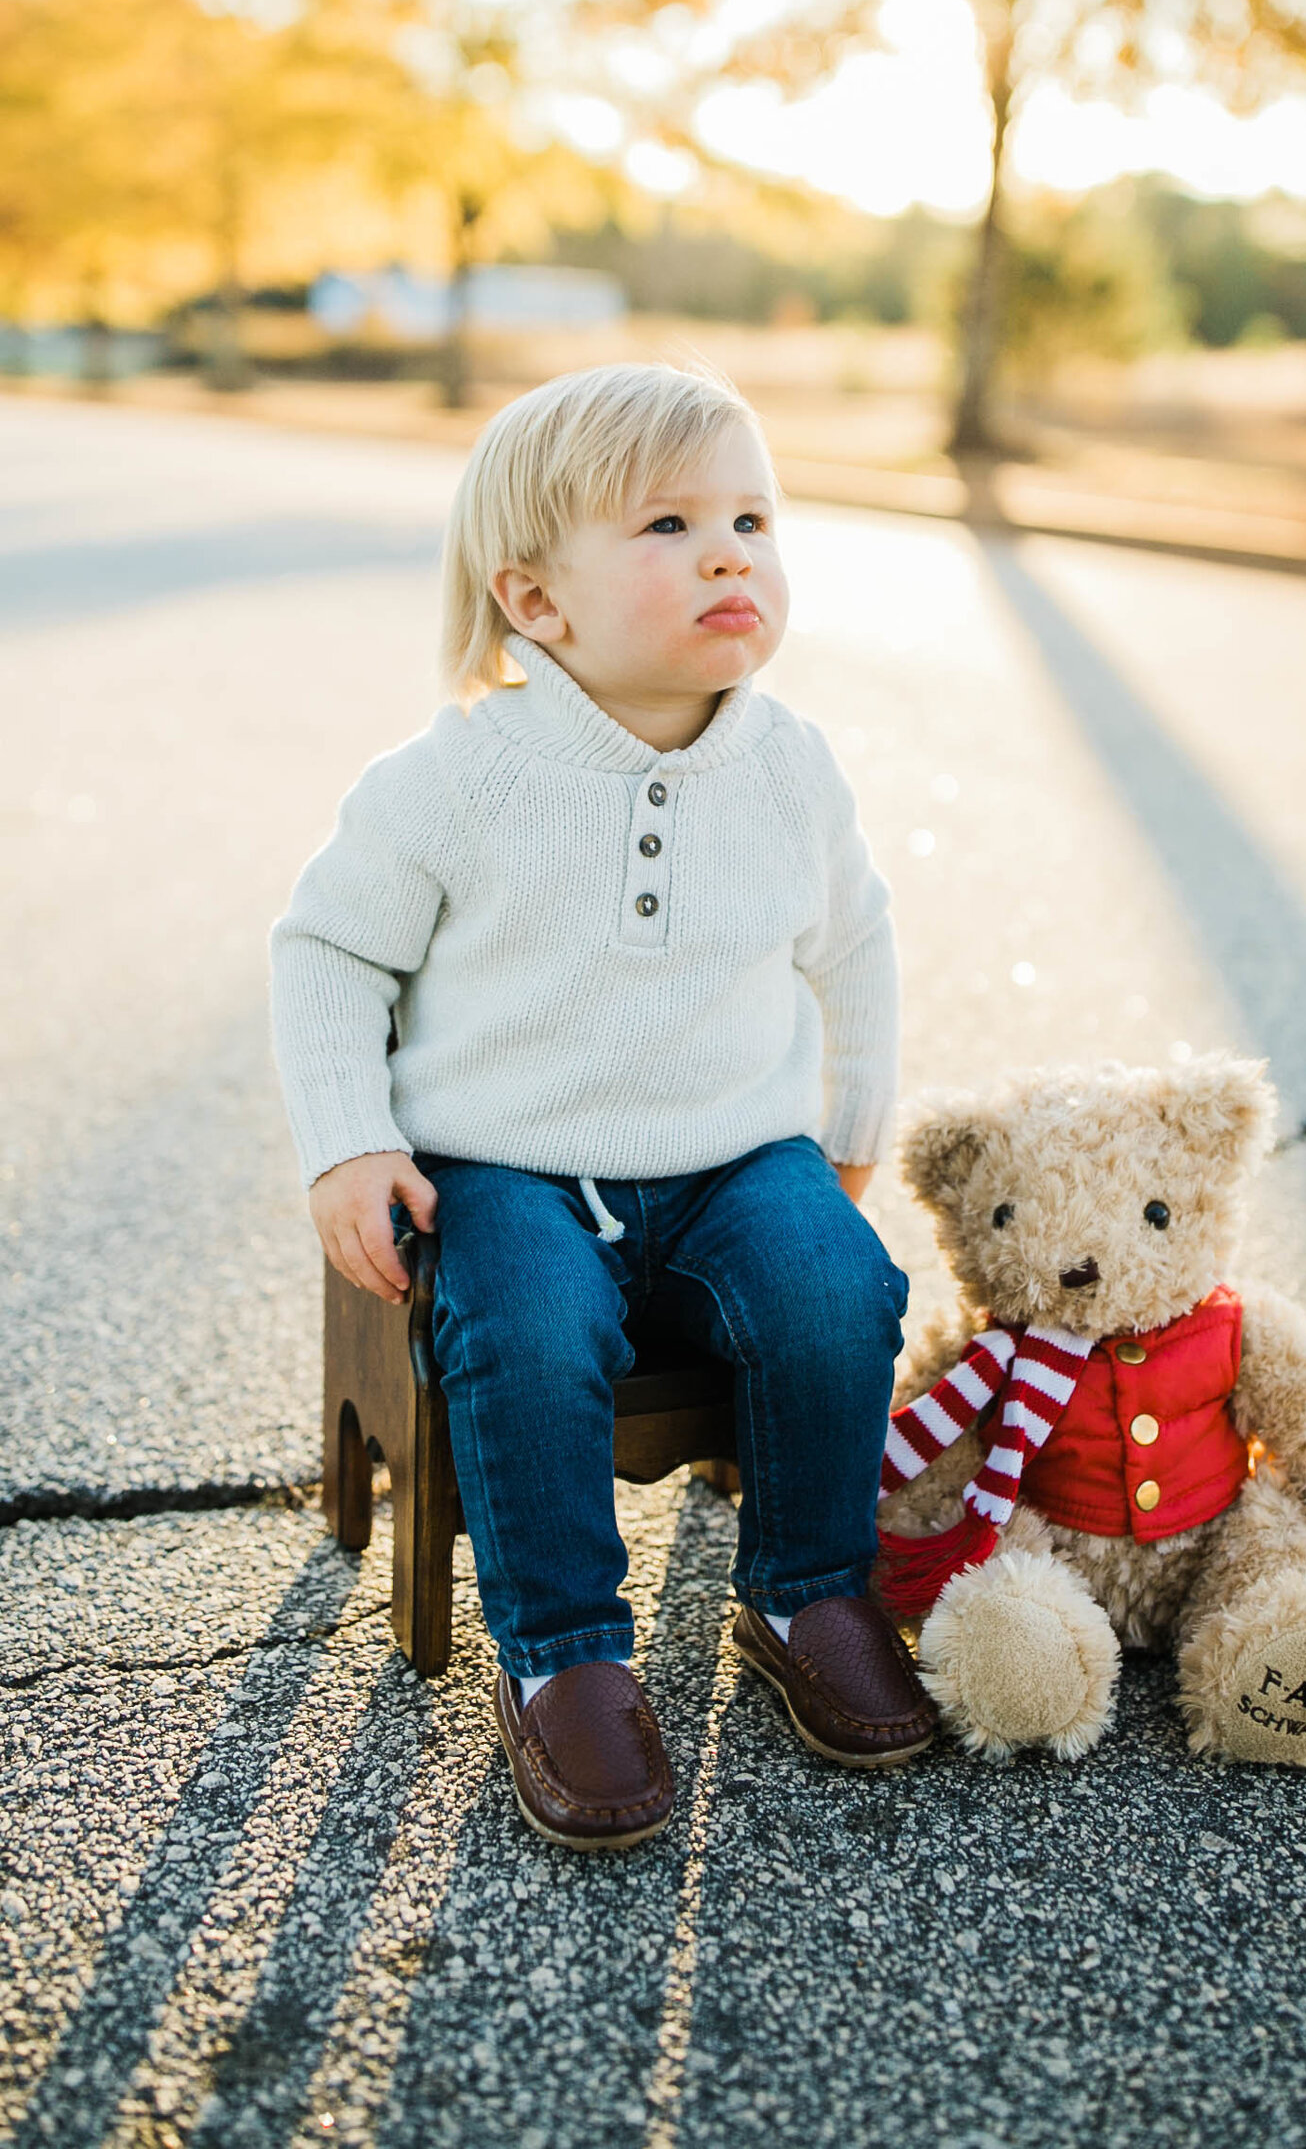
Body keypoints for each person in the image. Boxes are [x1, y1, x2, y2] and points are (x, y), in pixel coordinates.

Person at [270, 362, 936, 1849]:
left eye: (754, 517)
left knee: (838, 1289)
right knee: (524, 1330)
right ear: (537, 602)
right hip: (504, 1164)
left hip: (729, 1155)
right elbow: (325, 949)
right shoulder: (460, 778)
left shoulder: (788, 766)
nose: (730, 553)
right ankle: (566, 1650)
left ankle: (807, 1586)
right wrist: (348, 1139)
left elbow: (858, 940)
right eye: (671, 524)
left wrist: (849, 1129)